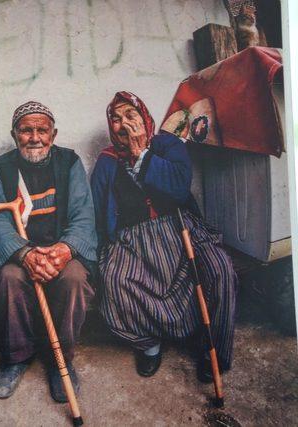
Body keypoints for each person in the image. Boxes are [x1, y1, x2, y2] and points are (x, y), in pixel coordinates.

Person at [90, 91, 236, 380]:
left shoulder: (168, 144)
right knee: (115, 280)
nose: (124, 124)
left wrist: (141, 156)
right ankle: (149, 344)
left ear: (145, 117)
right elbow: (97, 210)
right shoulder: (107, 161)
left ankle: (212, 349)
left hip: (180, 227)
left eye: (130, 115)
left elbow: (179, 188)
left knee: (219, 269)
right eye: (116, 118)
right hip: (132, 239)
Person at [0, 101, 97, 402]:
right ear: (14, 134)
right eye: (26, 130)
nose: (34, 137)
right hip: (22, 253)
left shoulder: (69, 162)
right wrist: (25, 255)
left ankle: (61, 358)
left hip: (62, 251)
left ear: (53, 134)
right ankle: (17, 356)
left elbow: (83, 215)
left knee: (74, 279)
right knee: (9, 278)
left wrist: (63, 250)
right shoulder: (1, 169)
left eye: (41, 130)